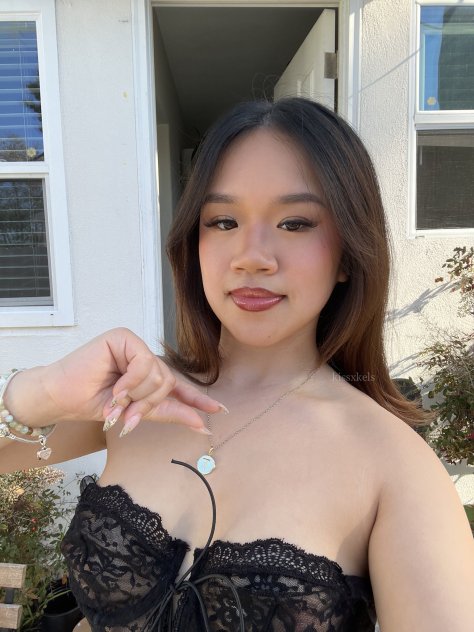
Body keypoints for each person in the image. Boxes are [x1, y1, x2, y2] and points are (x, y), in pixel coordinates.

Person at [0, 98, 473, 632]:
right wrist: (39, 392)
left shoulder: (396, 467)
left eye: (295, 223)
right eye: (223, 221)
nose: (251, 256)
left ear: (347, 253)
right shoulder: (138, 395)